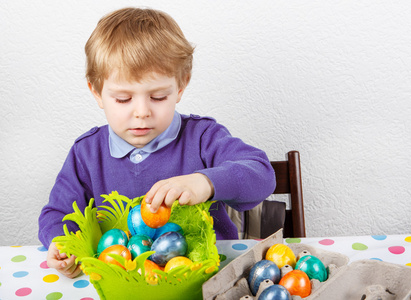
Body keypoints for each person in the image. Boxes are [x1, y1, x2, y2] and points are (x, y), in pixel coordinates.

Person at [38, 7, 276, 278]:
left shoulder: (202, 137)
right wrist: (62, 244)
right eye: (123, 99)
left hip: (207, 280)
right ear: (97, 92)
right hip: (120, 284)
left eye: (158, 96)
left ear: (181, 86)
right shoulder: (86, 153)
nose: (141, 112)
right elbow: (57, 214)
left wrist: (205, 182)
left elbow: (261, 174)